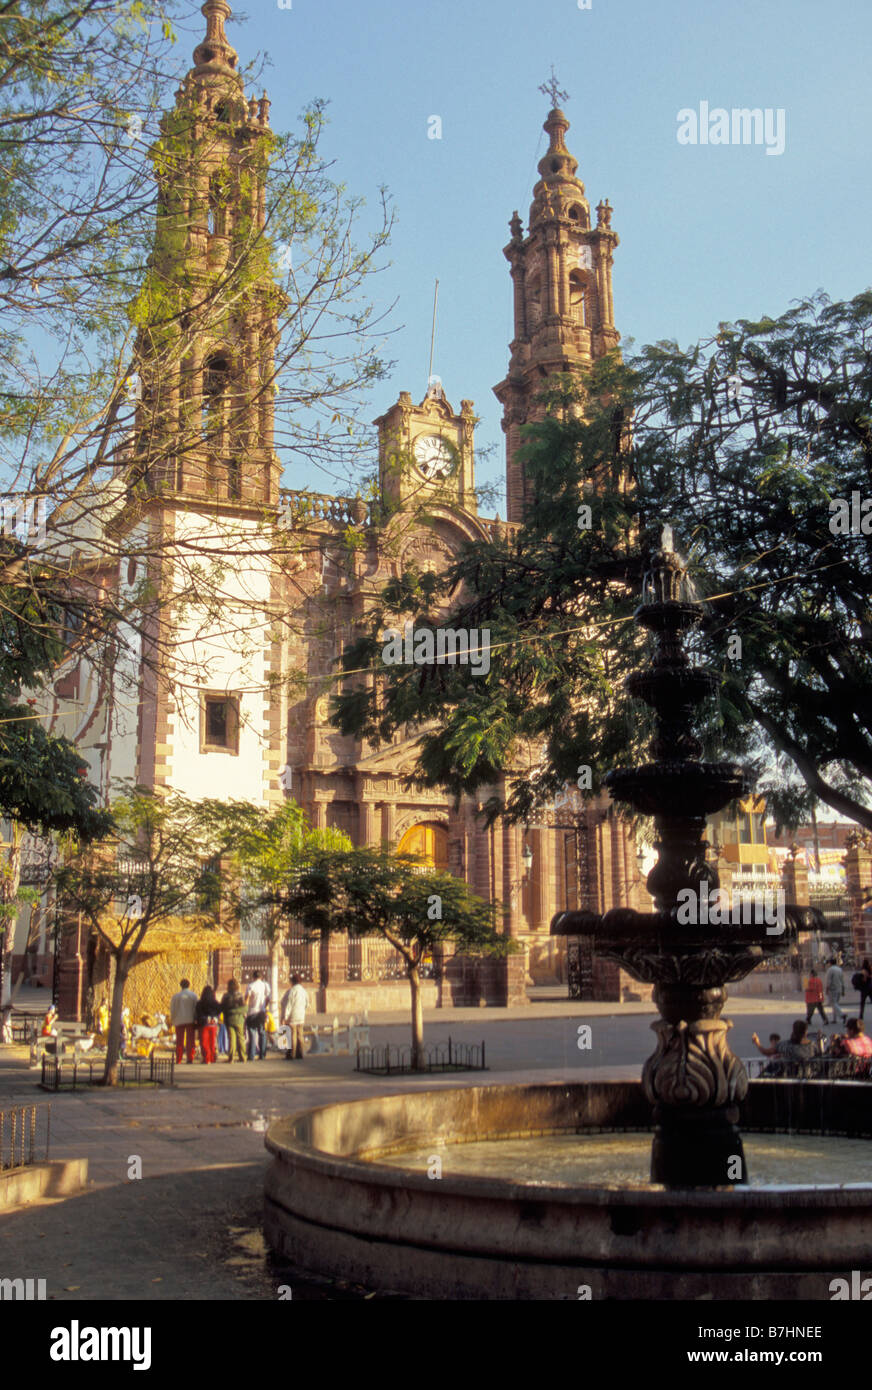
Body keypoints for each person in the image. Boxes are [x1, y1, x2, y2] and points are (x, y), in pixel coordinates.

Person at [169, 978, 199, 1064]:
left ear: (180, 985)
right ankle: (190, 1058)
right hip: (190, 1019)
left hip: (179, 1020)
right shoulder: (193, 996)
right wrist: (196, 1018)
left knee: (179, 1041)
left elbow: (172, 1009)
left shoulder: (175, 997)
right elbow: (196, 1008)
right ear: (189, 985)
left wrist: (172, 1019)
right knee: (190, 1040)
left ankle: (179, 1058)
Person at [244, 972, 271, 1061]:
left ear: (253, 977)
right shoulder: (265, 986)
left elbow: (247, 998)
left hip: (252, 1012)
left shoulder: (251, 986)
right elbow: (268, 999)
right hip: (261, 1012)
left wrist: (245, 1010)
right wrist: (264, 1006)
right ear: (261, 977)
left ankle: (251, 1055)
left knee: (252, 1034)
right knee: (262, 1033)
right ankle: (262, 1054)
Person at [220, 978, 247, 1063]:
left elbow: (222, 1007)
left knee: (231, 1039)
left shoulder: (226, 996)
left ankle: (231, 1058)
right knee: (241, 1038)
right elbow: (244, 1007)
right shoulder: (240, 995)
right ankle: (243, 1057)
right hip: (239, 1019)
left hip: (229, 1019)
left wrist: (228, 1012)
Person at [283, 974, 309, 1060]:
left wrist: (285, 1016)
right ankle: (300, 1053)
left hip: (293, 1016)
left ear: (292, 981)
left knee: (293, 1035)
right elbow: (307, 1004)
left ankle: (292, 1054)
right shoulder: (304, 991)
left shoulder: (292, 991)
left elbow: (289, 1005)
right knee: (300, 1035)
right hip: (301, 1016)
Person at [195, 984, 221, 1064]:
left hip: (204, 1024)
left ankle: (206, 1058)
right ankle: (212, 1057)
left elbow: (198, 1013)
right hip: (213, 1024)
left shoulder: (200, 1003)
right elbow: (219, 1011)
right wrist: (215, 1017)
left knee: (204, 1042)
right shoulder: (215, 1002)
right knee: (212, 1041)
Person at [825, 958, 846, 1026]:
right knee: (835, 1003)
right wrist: (843, 990)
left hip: (833, 988)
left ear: (830, 963)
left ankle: (842, 1015)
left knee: (833, 1003)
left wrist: (827, 989)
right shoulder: (839, 969)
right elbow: (842, 980)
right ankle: (834, 1019)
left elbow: (829, 980)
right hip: (839, 988)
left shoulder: (830, 970)